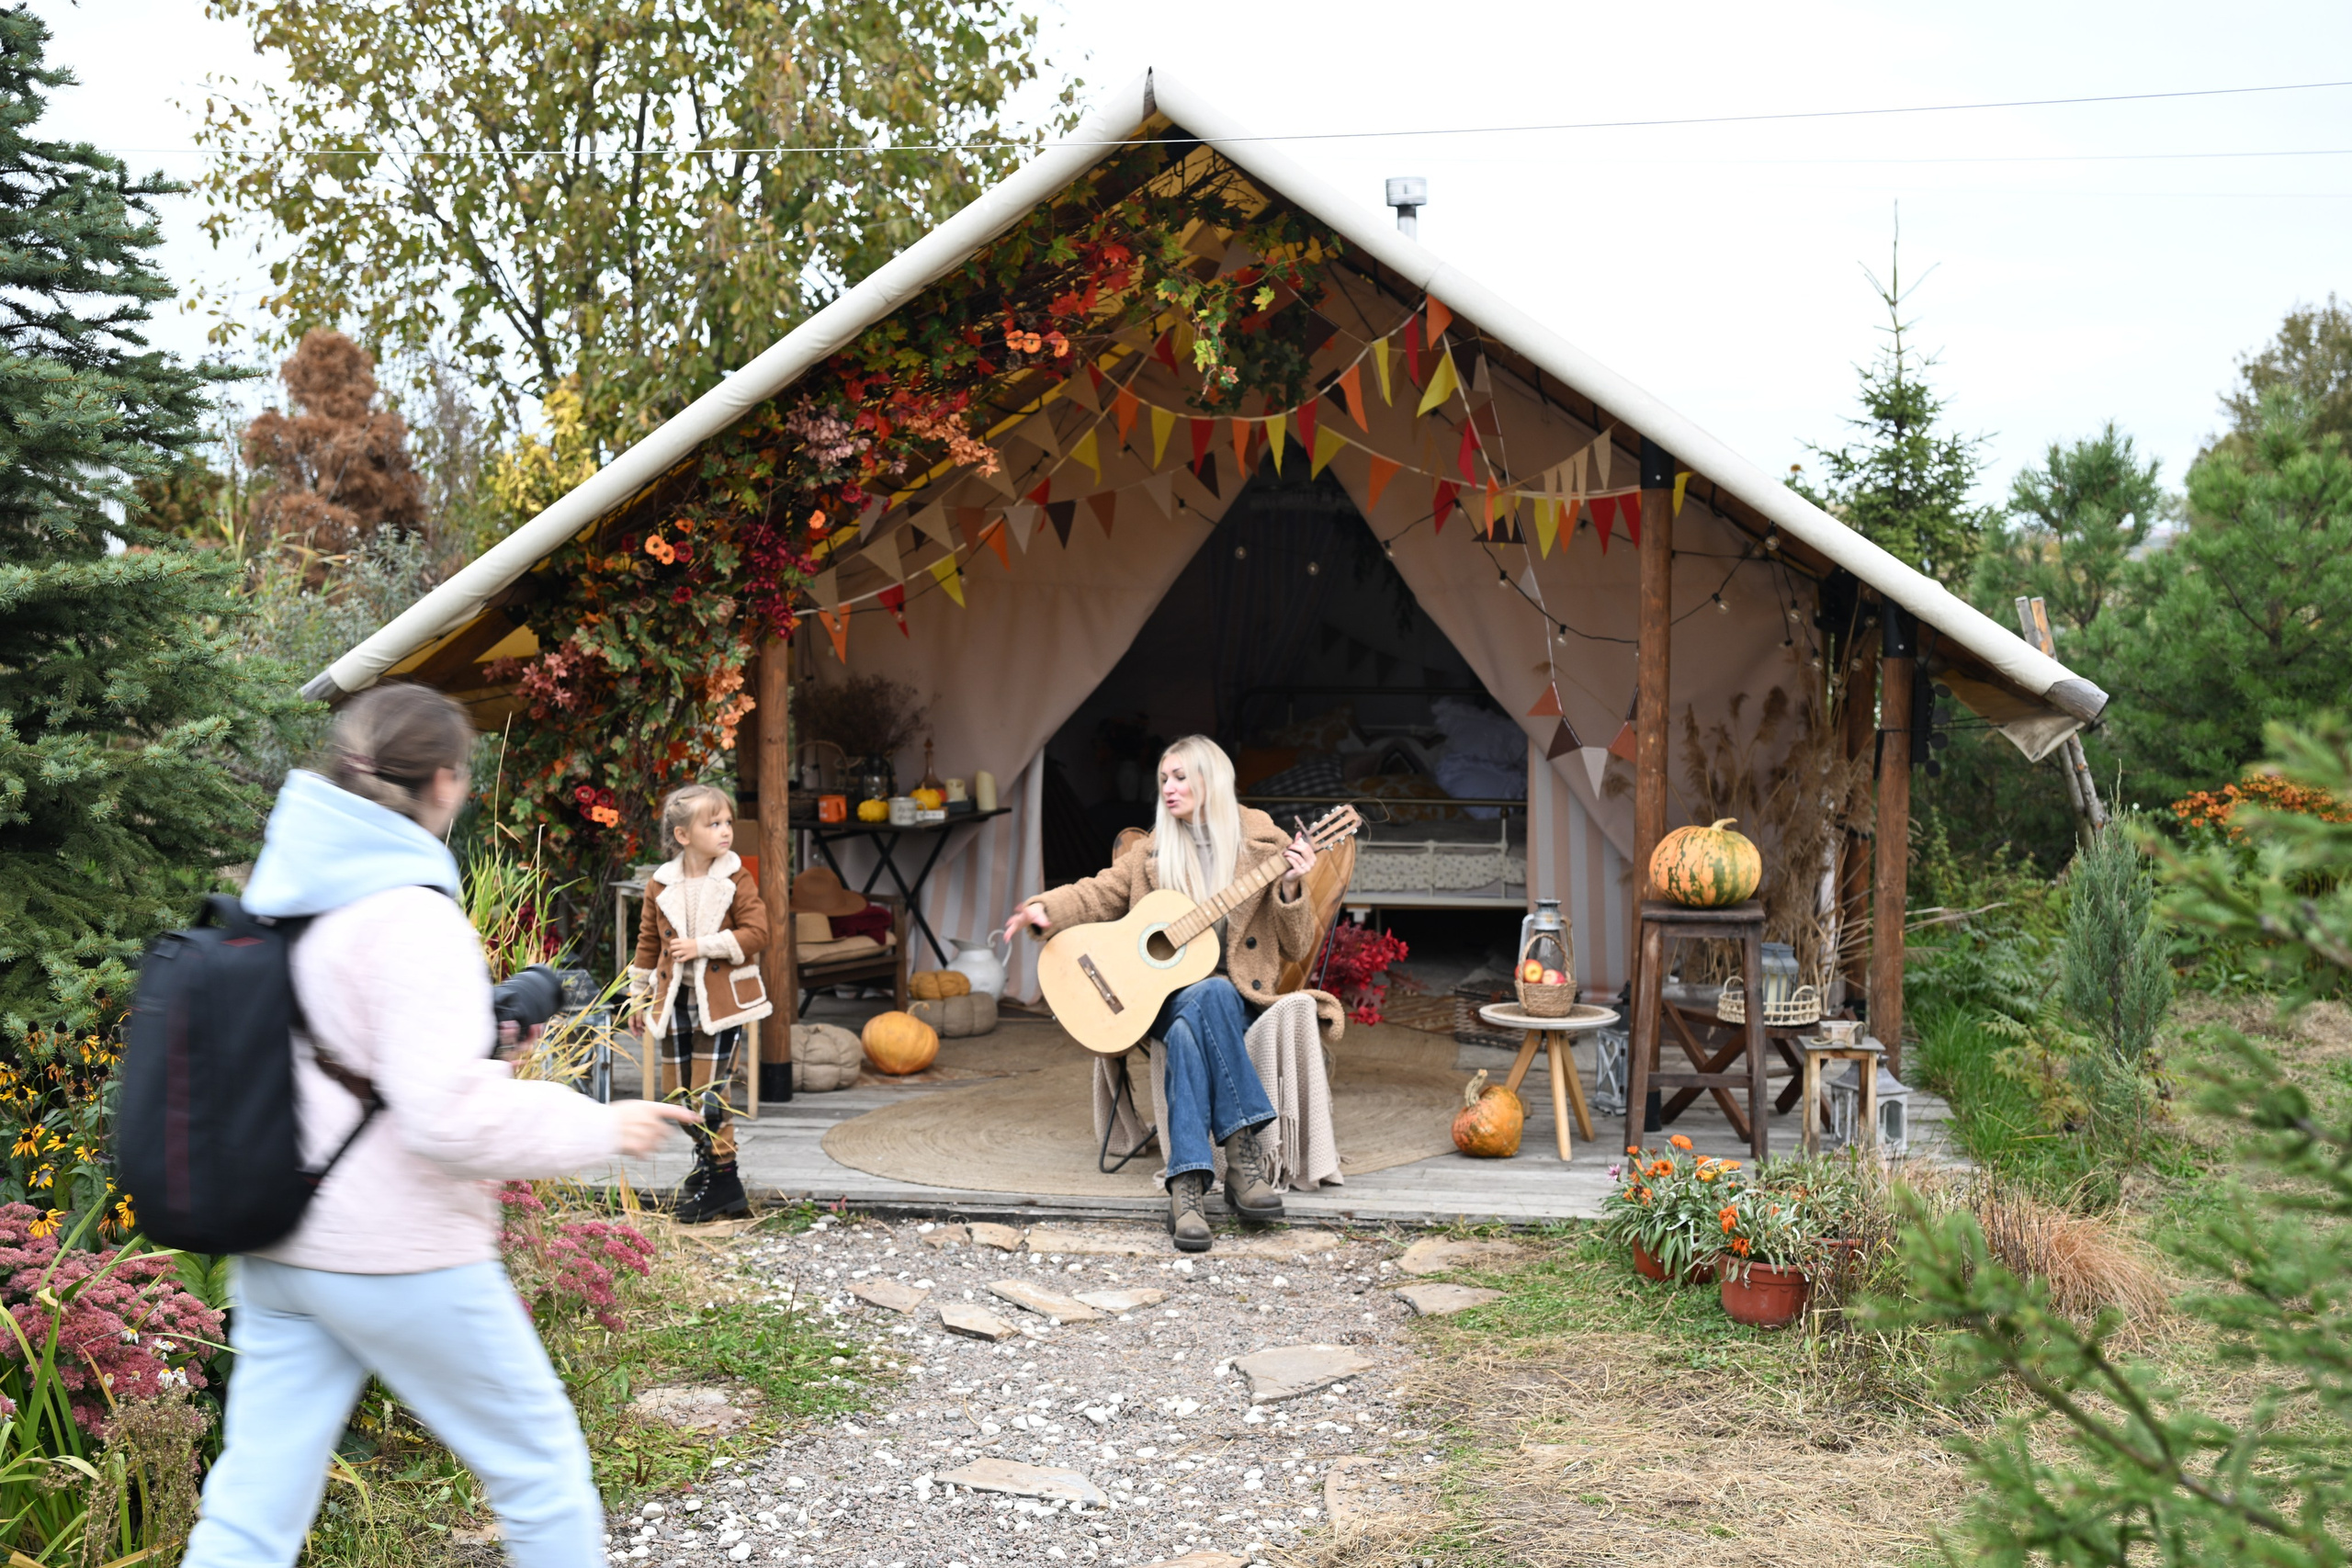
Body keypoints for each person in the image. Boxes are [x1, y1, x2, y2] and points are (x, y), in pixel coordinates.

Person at [183, 682, 698, 1568]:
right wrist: (601, 1126)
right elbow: (445, 1119)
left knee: (251, 1508)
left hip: (278, 1242)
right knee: (540, 1476)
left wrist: (485, 1036)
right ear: (449, 782)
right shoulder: (411, 915)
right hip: (399, 1250)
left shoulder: (283, 894)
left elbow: (349, 1058)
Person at [1002, 735, 1317, 1252]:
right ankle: (1242, 1161)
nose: (1168, 789)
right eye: (1164, 780)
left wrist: (1288, 890)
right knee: (1200, 1001)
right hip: (1156, 998)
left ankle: (1187, 1188)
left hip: (1236, 996)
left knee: (1208, 1003)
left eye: (1180, 778)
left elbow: (1298, 945)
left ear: (1210, 781)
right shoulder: (1150, 852)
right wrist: (1047, 910)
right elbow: (1095, 892)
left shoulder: (1266, 845)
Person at [627, 783, 774, 1223]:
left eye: (728, 822)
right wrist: (638, 997)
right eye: (714, 824)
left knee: (709, 1097)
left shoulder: (735, 876)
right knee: (678, 1095)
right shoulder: (661, 883)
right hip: (673, 1001)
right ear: (683, 835)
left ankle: (724, 1183)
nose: (726, 830)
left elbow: (757, 933)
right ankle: (710, 1162)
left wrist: (703, 945)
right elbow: (648, 943)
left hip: (722, 1003)